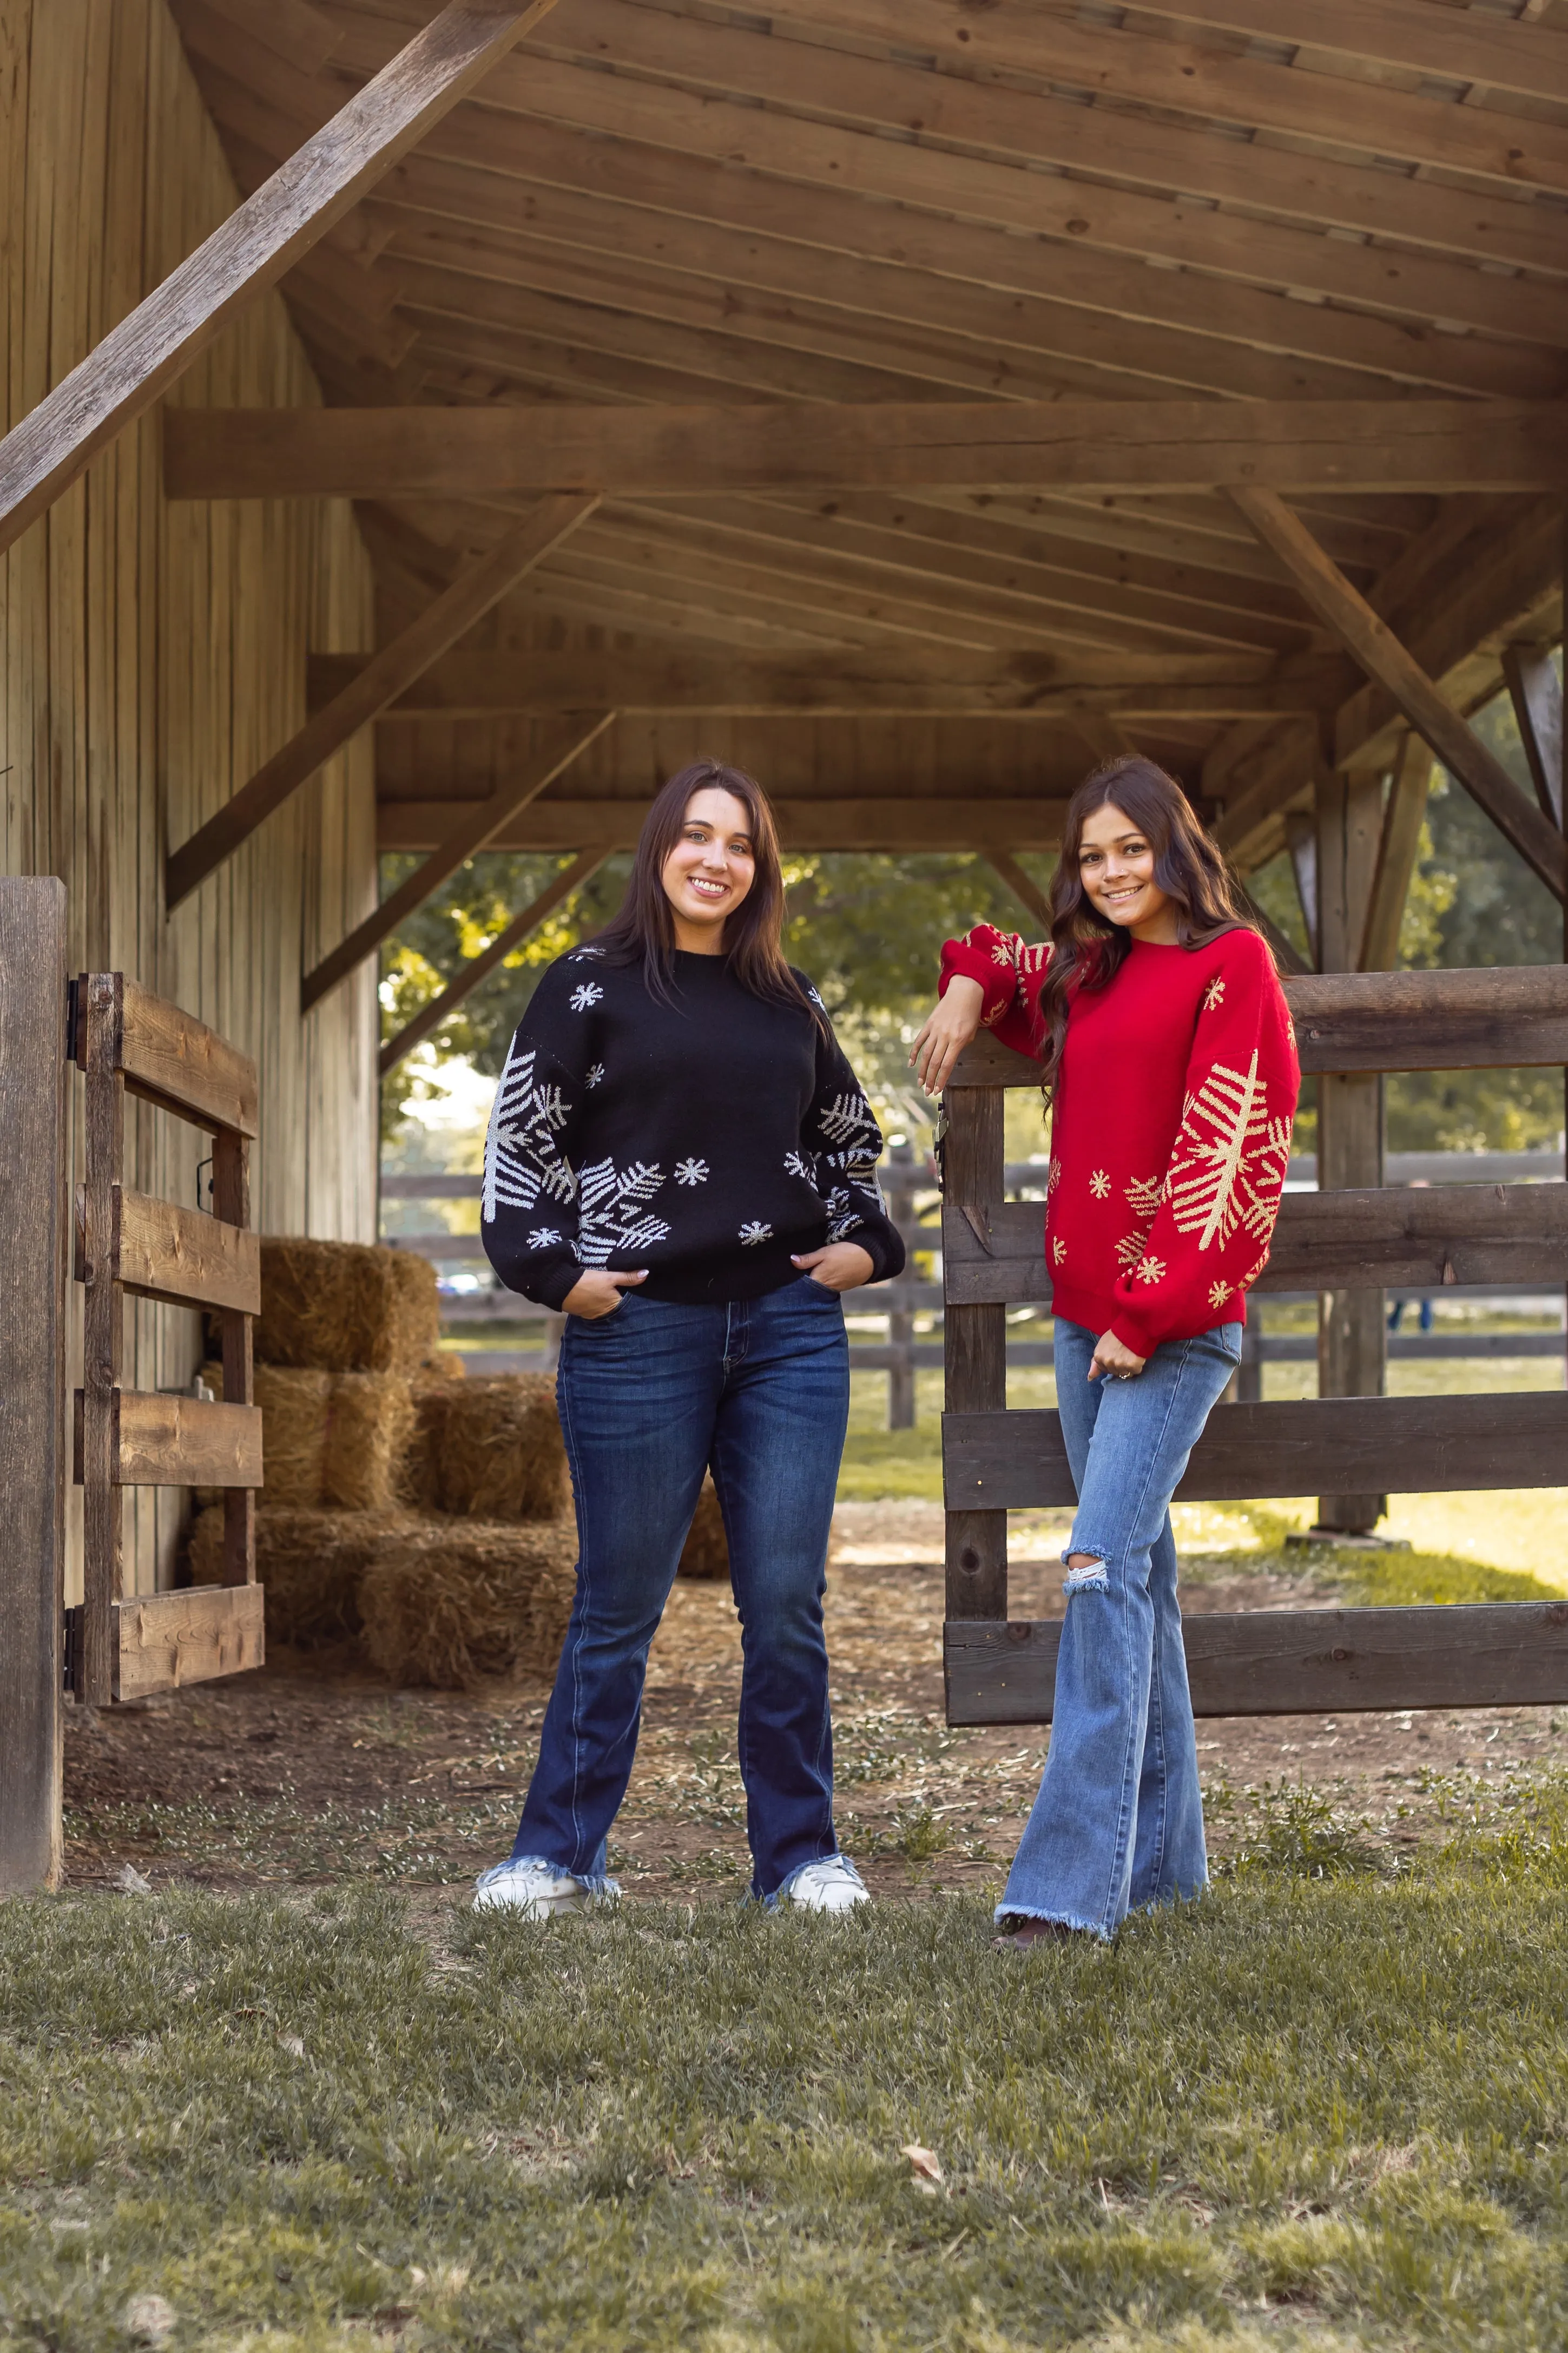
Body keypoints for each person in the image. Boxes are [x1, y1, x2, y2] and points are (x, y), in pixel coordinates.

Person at [473, 760, 905, 1919]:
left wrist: (870, 1243)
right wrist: (561, 1276)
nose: (717, 859)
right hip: (639, 1330)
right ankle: (559, 1855)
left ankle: (801, 1859)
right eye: (696, 836)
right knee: (617, 1604)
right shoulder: (585, 985)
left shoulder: (789, 1000)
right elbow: (524, 1145)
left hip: (789, 1334)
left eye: (742, 844)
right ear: (659, 848)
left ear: (762, 869)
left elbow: (849, 1141)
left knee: (785, 1602)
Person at [912, 757, 1299, 1945]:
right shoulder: (1093, 969)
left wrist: (1150, 1313)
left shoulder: (1231, 965)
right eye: (1092, 855)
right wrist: (969, 992)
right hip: (1086, 1322)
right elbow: (994, 950)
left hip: (1171, 1327)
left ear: (1176, 846)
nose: (1113, 871)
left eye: (1133, 848)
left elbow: (1239, 1141)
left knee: (1095, 1566)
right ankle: (1169, 1874)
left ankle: (1068, 1889)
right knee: (1142, 1581)